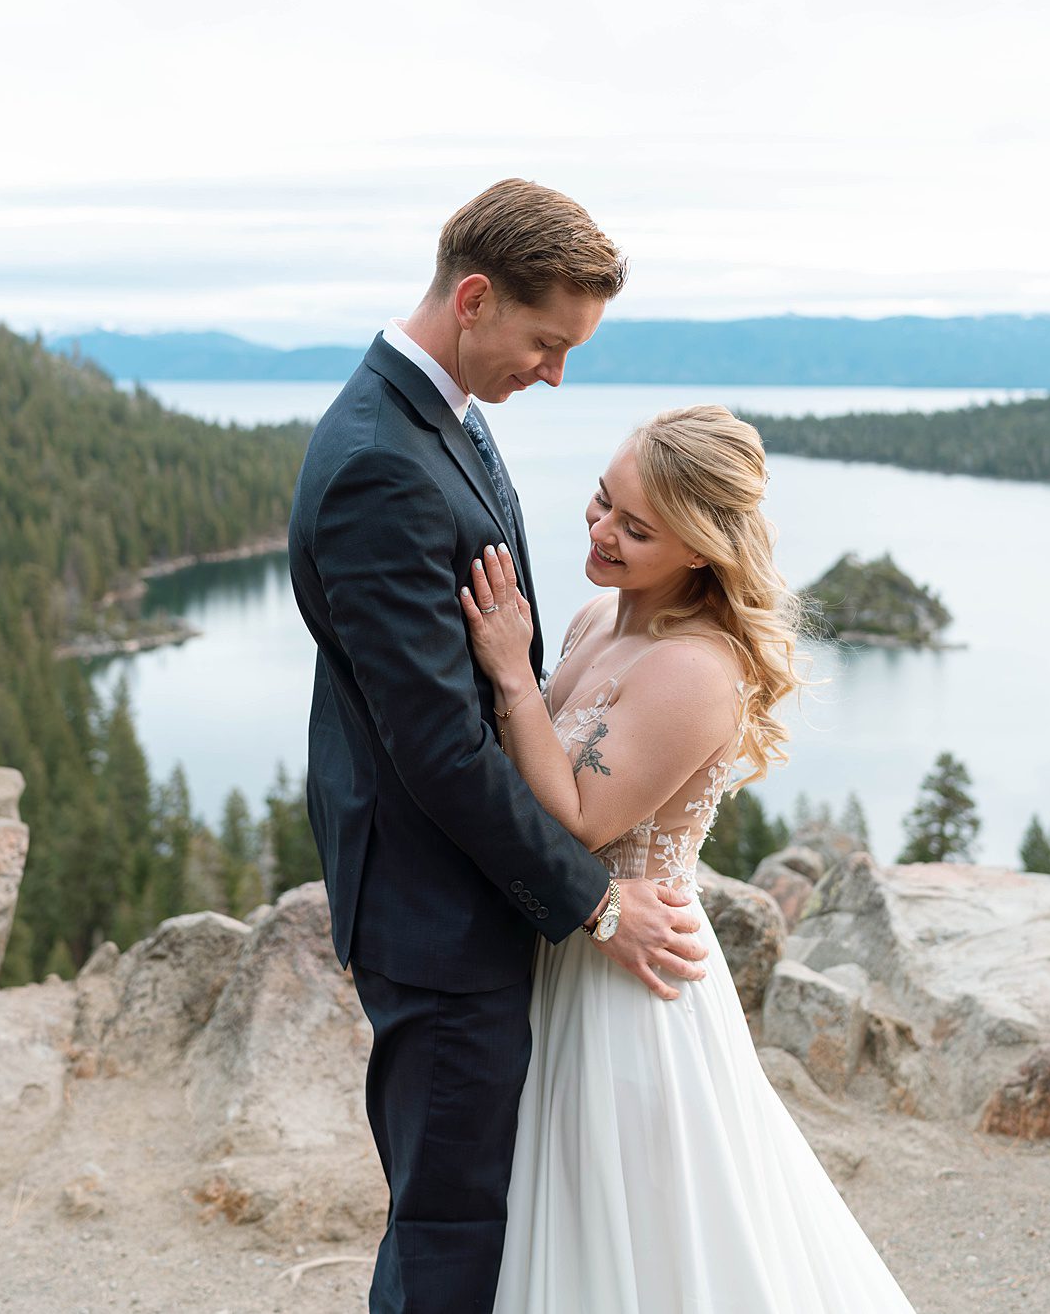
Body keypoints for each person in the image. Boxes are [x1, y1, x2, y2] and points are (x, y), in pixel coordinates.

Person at [288, 179, 710, 1314]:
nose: (556, 373)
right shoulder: (383, 457)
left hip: (468, 888)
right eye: (545, 341)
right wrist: (599, 904)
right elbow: (435, 745)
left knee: (486, 1205)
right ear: (474, 297)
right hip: (436, 906)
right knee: (452, 1222)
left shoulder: (447, 415)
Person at [460, 404, 922, 1314]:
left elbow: (581, 821)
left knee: (644, 1226)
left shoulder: (697, 668)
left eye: (637, 529)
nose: (601, 532)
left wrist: (512, 675)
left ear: (702, 548)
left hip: (633, 985)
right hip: (574, 946)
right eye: (602, 503)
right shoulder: (598, 617)